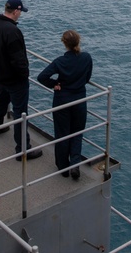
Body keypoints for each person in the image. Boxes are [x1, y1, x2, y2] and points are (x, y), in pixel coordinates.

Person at [0, 0, 42, 160]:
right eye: (20, 12)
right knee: (20, 113)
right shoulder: (12, 31)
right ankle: (23, 150)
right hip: (14, 79)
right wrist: (25, 75)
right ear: (16, 11)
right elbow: (19, 60)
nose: (20, 15)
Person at [37, 30, 93, 180]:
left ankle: (63, 167)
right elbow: (87, 77)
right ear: (78, 42)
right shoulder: (86, 58)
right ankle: (75, 164)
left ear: (64, 43)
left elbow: (41, 77)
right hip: (79, 100)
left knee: (62, 133)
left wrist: (54, 84)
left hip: (62, 100)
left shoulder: (60, 61)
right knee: (77, 132)